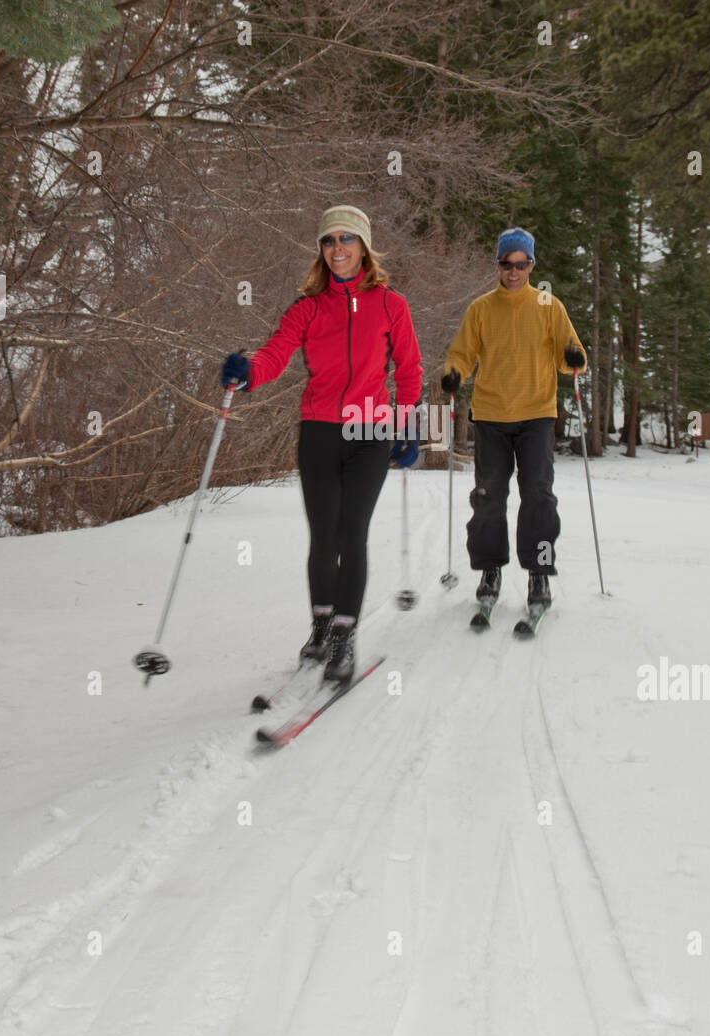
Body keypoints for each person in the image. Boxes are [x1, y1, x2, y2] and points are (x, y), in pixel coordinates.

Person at [222, 205, 422, 682]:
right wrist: (248, 374)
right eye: (329, 241)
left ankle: (344, 636)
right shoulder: (308, 307)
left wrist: (408, 426)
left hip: (369, 429)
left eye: (346, 240)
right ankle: (320, 623)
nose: (337, 249)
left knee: (352, 532)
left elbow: (410, 371)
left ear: (364, 248)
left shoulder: (392, 304)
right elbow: (274, 354)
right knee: (323, 535)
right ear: (321, 250)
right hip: (319, 429)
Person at [441, 227, 587, 612]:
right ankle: (490, 570)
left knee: (538, 495)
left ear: (532, 265)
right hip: (491, 416)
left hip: (537, 414)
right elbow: (462, 353)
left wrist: (574, 357)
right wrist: (455, 372)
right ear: (499, 265)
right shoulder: (481, 309)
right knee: (489, 497)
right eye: (507, 264)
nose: (514, 271)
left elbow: (569, 350)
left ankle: (538, 572)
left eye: (521, 264)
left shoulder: (548, 306)